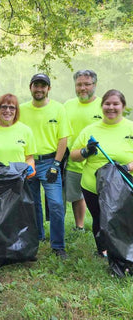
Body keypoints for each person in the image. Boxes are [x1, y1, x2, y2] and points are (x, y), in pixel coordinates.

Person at [70, 89, 133, 257]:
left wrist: (127, 167)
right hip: (93, 185)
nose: (111, 107)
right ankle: (103, 249)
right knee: (99, 217)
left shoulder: (130, 128)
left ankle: (124, 249)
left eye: (115, 104)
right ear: (101, 106)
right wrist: (86, 152)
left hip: (124, 184)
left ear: (123, 106)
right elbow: (73, 156)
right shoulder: (90, 130)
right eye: (107, 104)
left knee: (123, 219)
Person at [19, 74, 72, 258]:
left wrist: (56, 164)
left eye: (43, 86)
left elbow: (63, 138)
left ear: (48, 88)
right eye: (36, 85)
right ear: (30, 87)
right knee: (32, 203)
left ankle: (58, 245)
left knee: (56, 204)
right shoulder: (21, 109)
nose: (39, 89)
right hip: (28, 161)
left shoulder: (58, 109)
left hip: (50, 161)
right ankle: (38, 235)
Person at [64, 70, 102, 231]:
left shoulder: (104, 105)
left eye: (87, 84)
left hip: (97, 162)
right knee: (76, 196)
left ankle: (102, 225)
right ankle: (79, 226)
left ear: (94, 85)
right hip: (74, 158)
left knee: (99, 197)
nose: (83, 88)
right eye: (79, 84)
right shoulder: (68, 105)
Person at [0, 93, 36, 172]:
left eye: (12, 108)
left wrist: (31, 167)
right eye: (4, 107)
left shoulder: (26, 131)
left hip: (17, 180)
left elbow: (29, 158)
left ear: (16, 111)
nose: (7, 110)